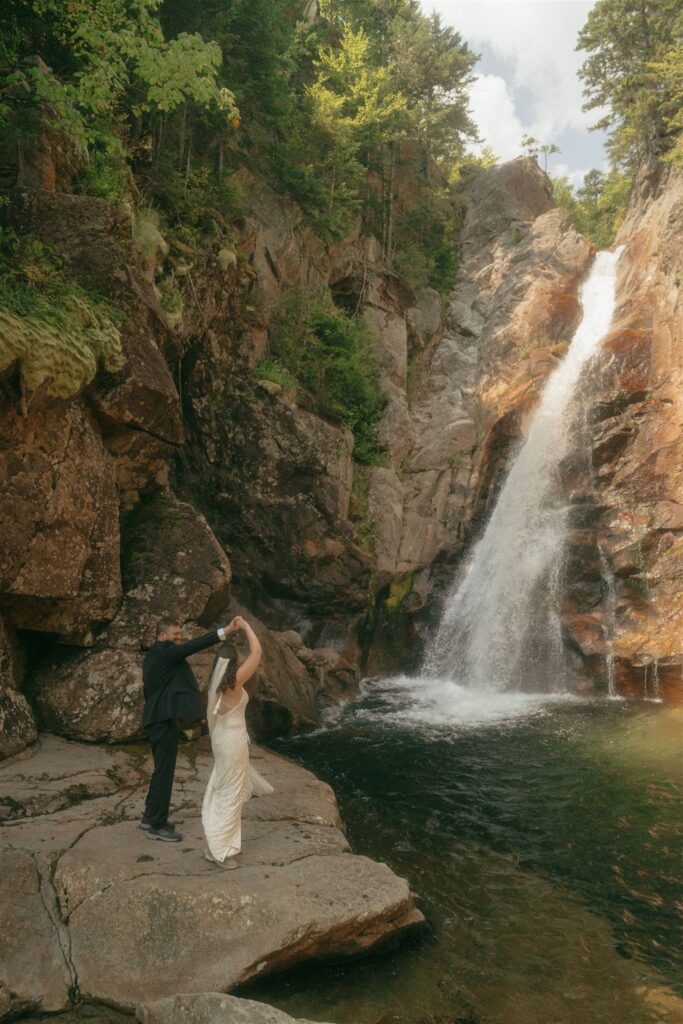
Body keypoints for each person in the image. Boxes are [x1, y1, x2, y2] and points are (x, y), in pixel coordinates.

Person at [141, 617, 233, 842]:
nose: (178, 639)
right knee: (165, 773)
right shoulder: (165, 652)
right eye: (175, 635)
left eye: (179, 635)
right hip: (162, 720)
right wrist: (225, 631)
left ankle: (149, 816)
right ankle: (158, 825)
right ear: (162, 635)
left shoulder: (153, 654)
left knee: (160, 770)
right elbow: (194, 646)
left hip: (157, 719)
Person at [202, 614, 273, 869]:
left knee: (221, 787)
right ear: (233, 664)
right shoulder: (234, 682)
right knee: (230, 794)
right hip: (232, 741)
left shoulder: (216, 683)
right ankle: (220, 850)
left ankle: (216, 846)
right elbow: (258, 651)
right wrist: (244, 627)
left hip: (222, 739)